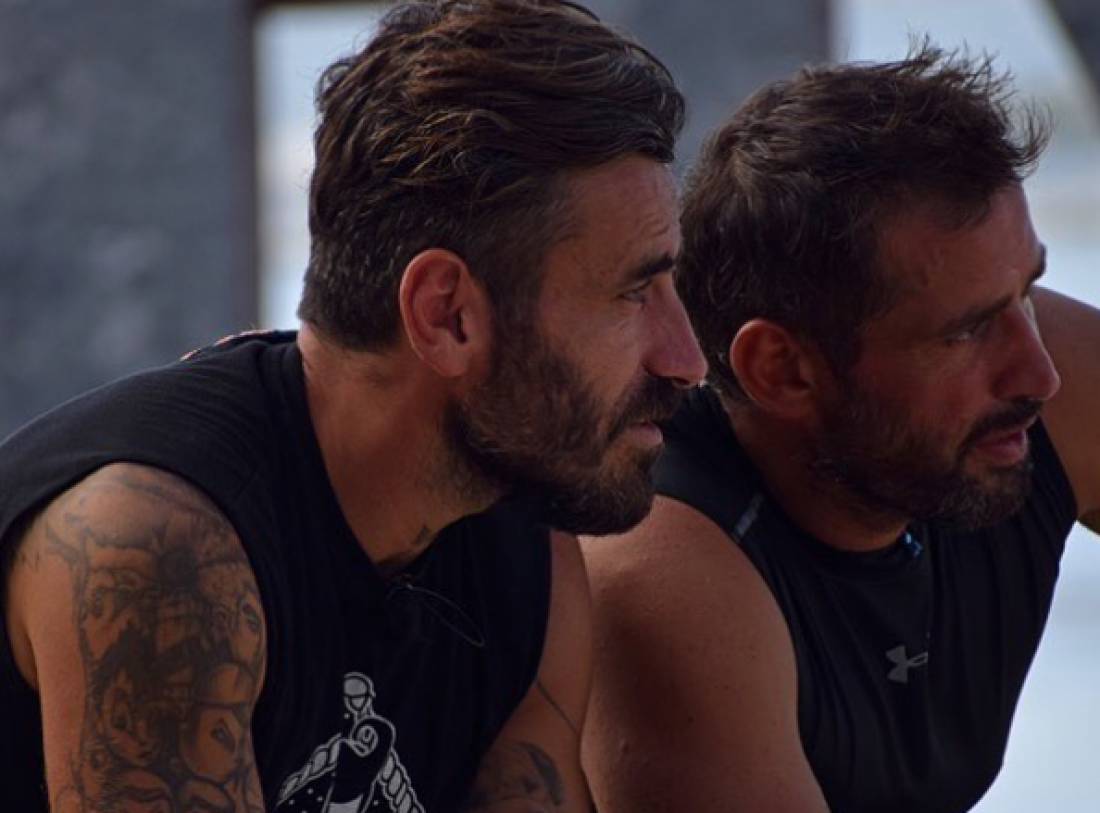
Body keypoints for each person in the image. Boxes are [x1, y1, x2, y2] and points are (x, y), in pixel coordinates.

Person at [0, 1, 706, 810]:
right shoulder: (157, 547)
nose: (685, 360)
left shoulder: (522, 540)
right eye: (632, 293)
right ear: (447, 315)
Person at [581, 41, 1100, 813]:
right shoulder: (670, 573)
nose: (1039, 375)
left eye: (1025, 291)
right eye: (963, 333)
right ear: (782, 370)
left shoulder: (1027, 373)